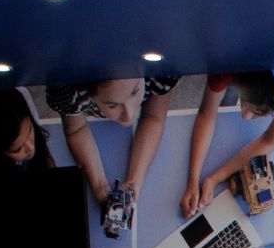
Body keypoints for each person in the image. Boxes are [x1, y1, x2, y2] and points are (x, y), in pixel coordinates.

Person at [46, 77, 176, 238]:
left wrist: (134, 183)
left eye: (135, 91)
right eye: (113, 105)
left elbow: (154, 117)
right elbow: (76, 129)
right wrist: (100, 187)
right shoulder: (66, 89)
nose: (129, 116)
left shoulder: (162, 74)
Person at [180, 73, 274, 219]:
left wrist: (214, 179)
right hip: (233, 73)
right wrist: (193, 180)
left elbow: (268, 141)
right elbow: (206, 114)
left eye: (256, 113)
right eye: (243, 103)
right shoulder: (223, 71)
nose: (244, 116)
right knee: (227, 95)